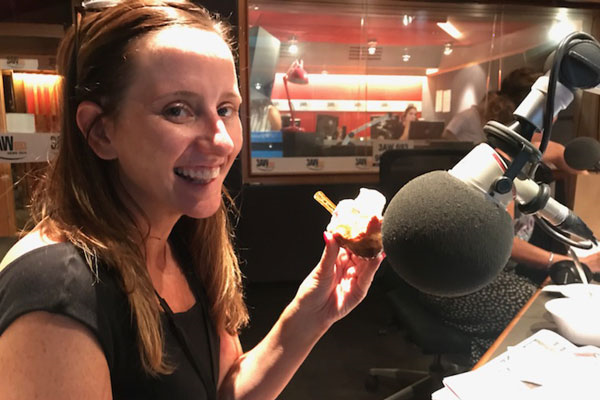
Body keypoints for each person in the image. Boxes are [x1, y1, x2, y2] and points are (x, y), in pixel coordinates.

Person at [0, 1, 384, 399]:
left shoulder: (183, 239)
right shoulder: (56, 292)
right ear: (100, 132)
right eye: (178, 110)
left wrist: (311, 316)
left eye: (226, 109)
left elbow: (224, 391)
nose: (221, 140)